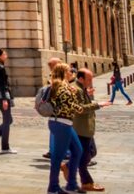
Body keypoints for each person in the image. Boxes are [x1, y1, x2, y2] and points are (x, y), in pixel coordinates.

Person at [46, 62, 88, 194]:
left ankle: (72, 184)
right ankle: (53, 188)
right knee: (57, 157)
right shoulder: (61, 86)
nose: (72, 72)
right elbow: (68, 105)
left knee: (77, 150)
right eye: (69, 70)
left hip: (63, 123)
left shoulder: (62, 86)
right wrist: (81, 108)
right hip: (61, 123)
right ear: (64, 73)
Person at [73, 68, 109, 192]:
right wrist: (98, 104)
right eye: (89, 79)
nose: (91, 81)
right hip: (81, 129)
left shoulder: (81, 88)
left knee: (92, 152)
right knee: (84, 159)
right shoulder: (77, 89)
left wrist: (87, 93)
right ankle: (87, 183)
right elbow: (80, 108)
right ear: (81, 78)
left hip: (86, 129)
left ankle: (67, 165)